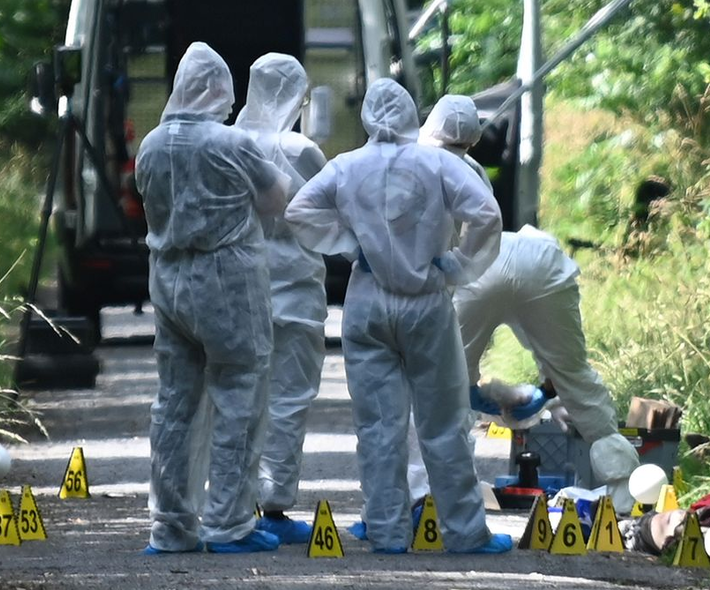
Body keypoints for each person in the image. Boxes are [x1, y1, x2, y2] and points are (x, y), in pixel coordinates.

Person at [285, 79, 512, 554]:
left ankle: (388, 532)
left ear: (366, 116)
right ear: (413, 115)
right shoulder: (438, 164)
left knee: (378, 427)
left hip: (367, 301)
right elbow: (486, 216)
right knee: (443, 423)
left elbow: (300, 210)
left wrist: (349, 245)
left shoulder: (346, 166)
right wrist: (458, 265)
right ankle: (466, 534)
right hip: (426, 301)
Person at [419, 95, 640, 514]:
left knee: (447, 385)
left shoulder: (415, 162)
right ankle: (624, 490)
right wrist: (544, 391)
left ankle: (449, 494)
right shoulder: (473, 167)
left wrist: (480, 394)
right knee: (575, 373)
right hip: (540, 261)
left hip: (476, 271)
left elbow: (449, 244)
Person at [135, 42, 290, 554]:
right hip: (227, 281)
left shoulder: (151, 145)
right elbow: (274, 200)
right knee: (239, 394)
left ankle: (171, 527)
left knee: (175, 404)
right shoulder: (232, 143)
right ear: (214, 90)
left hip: (168, 278)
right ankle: (228, 523)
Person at [234, 54, 329, 546]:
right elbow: (334, 204)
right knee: (289, 398)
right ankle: (273, 505)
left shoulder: (229, 144)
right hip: (296, 289)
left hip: (241, 288)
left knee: (239, 396)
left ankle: (232, 499)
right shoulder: (302, 148)